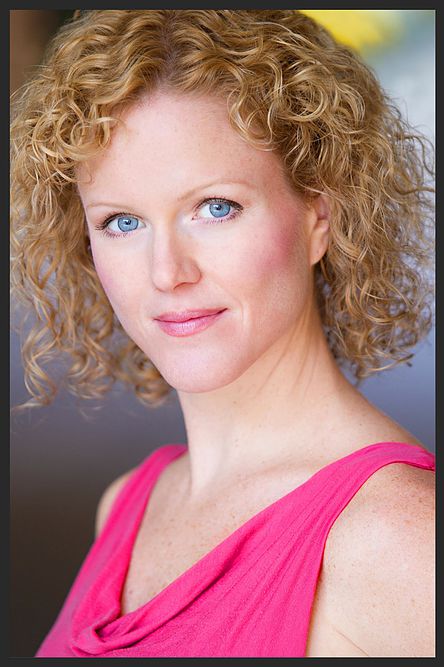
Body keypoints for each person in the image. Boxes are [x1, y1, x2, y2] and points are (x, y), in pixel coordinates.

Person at [10, 9, 435, 658]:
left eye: (215, 208)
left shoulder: (398, 537)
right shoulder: (127, 505)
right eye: (122, 222)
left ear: (318, 217)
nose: (167, 272)